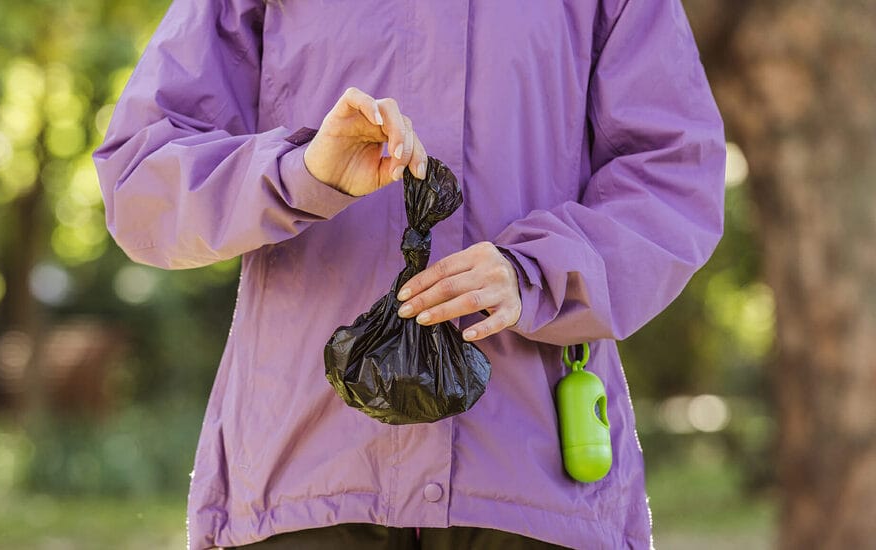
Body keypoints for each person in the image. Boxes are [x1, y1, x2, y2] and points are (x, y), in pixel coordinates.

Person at [93, 0, 725, 548]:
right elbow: (141, 176)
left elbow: (673, 173)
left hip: (536, 480)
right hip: (303, 476)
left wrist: (537, 271)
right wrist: (300, 174)